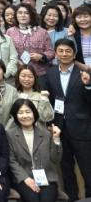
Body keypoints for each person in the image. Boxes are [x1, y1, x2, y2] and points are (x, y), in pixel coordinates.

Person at [46, 38, 91, 201]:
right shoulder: (50, 73)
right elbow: (49, 101)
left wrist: (88, 86)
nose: (64, 54)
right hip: (59, 129)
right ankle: (72, 198)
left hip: (82, 128)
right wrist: (50, 124)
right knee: (66, 169)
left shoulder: (85, 73)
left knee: (88, 168)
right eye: (61, 51)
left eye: (68, 51)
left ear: (74, 54)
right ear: (56, 54)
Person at [7, 99, 63, 202]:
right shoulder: (10, 135)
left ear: (34, 113)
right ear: (15, 115)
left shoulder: (46, 134)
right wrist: (25, 178)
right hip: (23, 178)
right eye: (20, 113)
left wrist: (56, 139)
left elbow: (56, 159)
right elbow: (11, 161)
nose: (24, 116)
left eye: (28, 112)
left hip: (47, 178)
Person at [6, 3, 54, 81]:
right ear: (16, 15)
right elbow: (6, 52)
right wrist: (16, 61)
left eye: (26, 13)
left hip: (39, 73)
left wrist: (41, 56)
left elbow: (51, 52)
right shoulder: (10, 32)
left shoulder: (42, 32)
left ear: (31, 15)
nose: (23, 15)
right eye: (20, 13)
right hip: (18, 72)